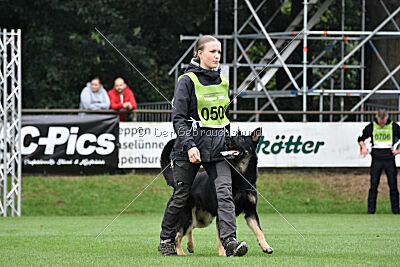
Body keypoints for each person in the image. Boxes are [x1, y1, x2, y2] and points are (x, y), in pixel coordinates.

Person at [158, 35, 248, 257]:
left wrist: (229, 143)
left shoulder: (223, 81)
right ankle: (166, 239)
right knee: (181, 195)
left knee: (225, 193)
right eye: (212, 52)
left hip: (217, 150)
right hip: (189, 149)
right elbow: (179, 118)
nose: (217, 56)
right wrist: (189, 145)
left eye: (219, 52)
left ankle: (230, 243)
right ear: (199, 53)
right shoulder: (186, 80)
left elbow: (222, 117)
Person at [358, 109, 400, 214]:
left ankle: (396, 210)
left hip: (389, 159)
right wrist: (363, 147)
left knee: (393, 185)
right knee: (373, 185)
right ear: (377, 118)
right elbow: (361, 138)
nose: (381, 123)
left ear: (386, 117)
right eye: (380, 121)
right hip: (376, 159)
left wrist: (397, 151)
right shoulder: (372, 126)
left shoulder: (393, 126)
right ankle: (371, 210)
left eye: (383, 121)